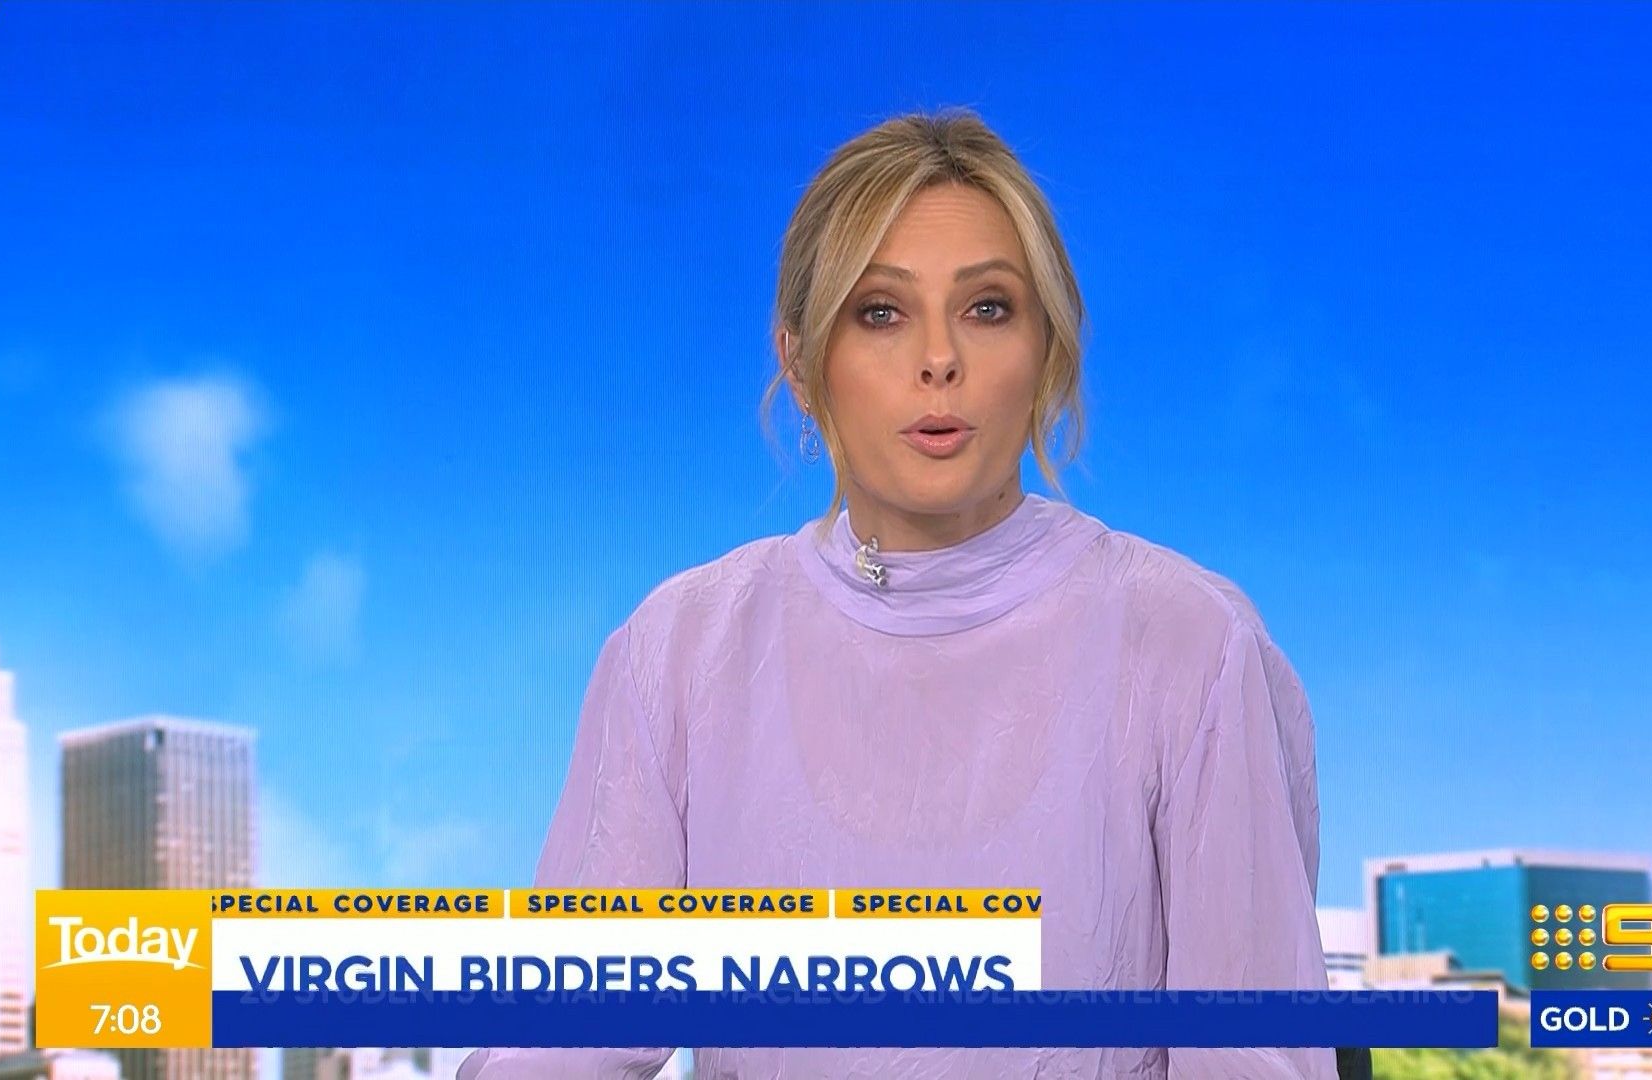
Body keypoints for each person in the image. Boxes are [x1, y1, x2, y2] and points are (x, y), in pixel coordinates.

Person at [460, 106, 1335, 1079]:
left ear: (1049, 349)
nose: (938, 360)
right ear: (800, 363)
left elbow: (1255, 1055)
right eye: (880, 312)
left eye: (987, 308)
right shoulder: (679, 649)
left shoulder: (1189, 643)